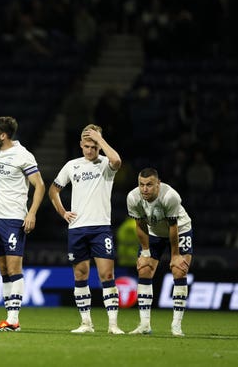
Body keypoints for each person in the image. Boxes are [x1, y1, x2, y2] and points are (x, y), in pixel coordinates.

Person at [48, 124, 124, 334]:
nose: (90, 150)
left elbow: (118, 161)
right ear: (81, 144)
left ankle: (113, 324)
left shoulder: (106, 165)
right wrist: (63, 212)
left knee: (106, 274)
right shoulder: (72, 165)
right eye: (87, 146)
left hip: (101, 228)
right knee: (80, 275)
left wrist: (101, 139)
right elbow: (54, 190)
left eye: (94, 146)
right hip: (78, 228)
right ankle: (86, 323)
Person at [0, 116, 45, 332]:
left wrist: (32, 214)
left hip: (14, 219)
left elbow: (40, 186)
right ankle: (10, 320)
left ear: (3, 135)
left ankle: (14, 319)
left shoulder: (22, 155)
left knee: (13, 267)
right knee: (3, 269)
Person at [126, 168, 192, 337]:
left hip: (180, 230)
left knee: (179, 271)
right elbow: (140, 225)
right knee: (144, 269)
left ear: (158, 184)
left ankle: (176, 325)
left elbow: (173, 227)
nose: (144, 189)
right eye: (141, 185)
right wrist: (145, 252)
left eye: (149, 185)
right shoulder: (133, 197)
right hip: (153, 232)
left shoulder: (170, 196)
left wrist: (175, 255)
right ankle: (144, 324)